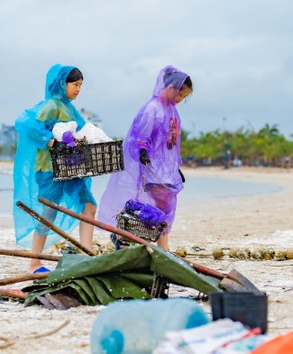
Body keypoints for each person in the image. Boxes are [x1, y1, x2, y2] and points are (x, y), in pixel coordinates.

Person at [12, 64, 97, 273]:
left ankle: (87, 256)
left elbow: (82, 132)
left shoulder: (70, 108)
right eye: (75, 84)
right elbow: (26, 125)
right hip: (49, 169)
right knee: (48, 212)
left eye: (81, 85)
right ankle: (34, 262)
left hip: (70, 167)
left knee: (89, 206)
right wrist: (51, 142)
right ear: (62, 83)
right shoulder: (51, 105)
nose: (78, 89)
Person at [98, 65, 192, 250]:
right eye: (180, 95)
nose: (180, 100)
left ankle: (154, 247)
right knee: (155, 208)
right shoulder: (152, 109)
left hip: (166, 172)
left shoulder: (172, 111)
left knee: (164, 209)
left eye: (184, 97)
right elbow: (139, 137)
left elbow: (170, 146)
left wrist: (175, 167)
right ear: (171, 88)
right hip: (151, 169)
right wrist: (142, 152)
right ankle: (129, 240)